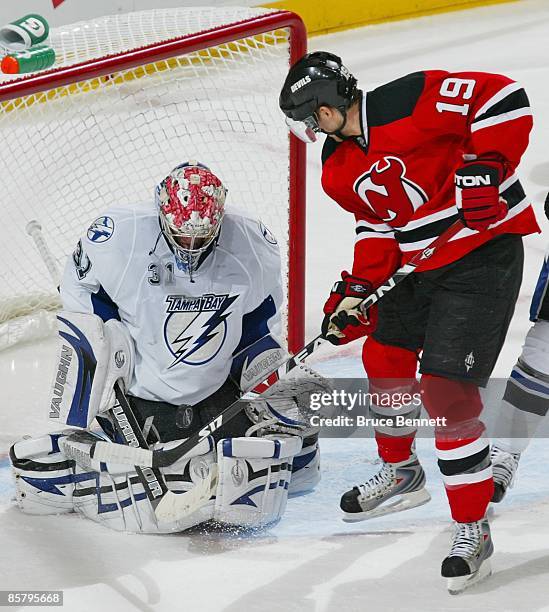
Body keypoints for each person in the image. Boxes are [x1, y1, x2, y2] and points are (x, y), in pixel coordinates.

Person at [279, 52, 539, 593]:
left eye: (309, 117)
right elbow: (378, 228)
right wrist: (357, 292)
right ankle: (402, 471)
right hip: (420, 265)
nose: (309, 129)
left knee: (447, 393)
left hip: (481, 253)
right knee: (384, 356)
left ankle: (473, 527)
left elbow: (504, 98)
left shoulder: (410, 98)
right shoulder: (336, 165)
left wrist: (487, 165)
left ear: (326, 107)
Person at [10, 161, 327, 533]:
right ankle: (109, 448)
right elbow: (78, 289)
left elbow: (257, 327)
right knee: (46, 465)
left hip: (218, 394)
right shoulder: (119, 236)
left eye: (201, 237)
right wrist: (110, 335)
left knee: (295, 417)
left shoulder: (254, 245)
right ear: (161, 212)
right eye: (182, 236)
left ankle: (280, 456)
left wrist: (267, 370)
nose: (191, 247)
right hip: (143, 397)